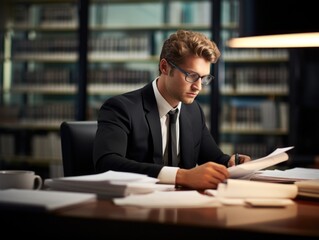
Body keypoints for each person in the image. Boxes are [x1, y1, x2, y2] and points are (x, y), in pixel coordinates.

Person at [93, 30, 251, 190]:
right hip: (135, 207)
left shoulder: (193, 110)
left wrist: (230, 163)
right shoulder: (121, 108)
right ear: (164, 67)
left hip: (183, 207)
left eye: (204, 78)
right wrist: (181, 176)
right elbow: (107, 163)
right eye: (191, 75)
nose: (198, 86)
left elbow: (214, 157)